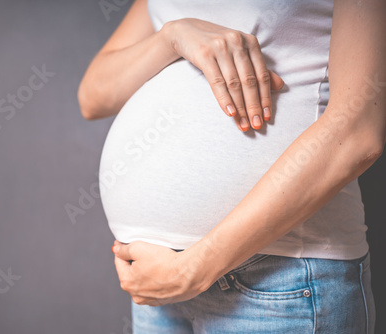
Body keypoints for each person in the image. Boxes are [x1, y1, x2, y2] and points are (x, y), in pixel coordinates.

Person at [78, 0, 385, 333]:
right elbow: (94, 96)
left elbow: (358, 132)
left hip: (280, 282)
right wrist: (173, 37)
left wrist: (192, 269)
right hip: (158, 280)